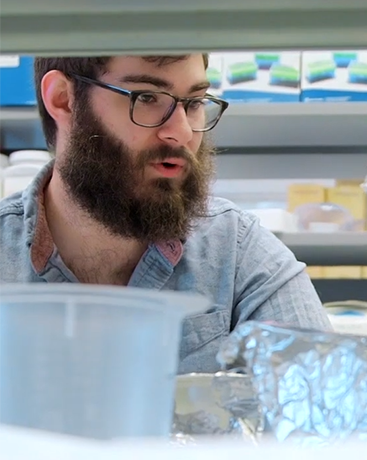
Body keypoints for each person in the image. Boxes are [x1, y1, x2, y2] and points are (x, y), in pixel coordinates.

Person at [0, 54, 332, 372]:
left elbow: (324, 414)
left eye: (194, 103)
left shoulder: (239, 254)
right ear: (62, 99)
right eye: (147, 98)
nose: (182, 132)